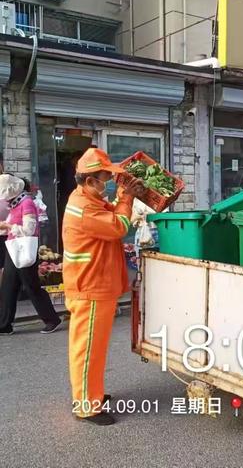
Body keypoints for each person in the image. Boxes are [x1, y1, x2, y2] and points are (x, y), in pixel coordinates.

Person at [62, 147, 144, 426]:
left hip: (95, 284)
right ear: (88, 181)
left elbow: (110, 212)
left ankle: (92, 393)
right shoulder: (84, 207)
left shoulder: (86, 198)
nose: (107, 182)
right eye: (104, 178)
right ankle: (86, 405)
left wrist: (122, 197)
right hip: (91, 286)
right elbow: (119, 226)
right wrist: (127, 198)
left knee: (94, 349)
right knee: (87, 350)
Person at [0, 174, 61, 335]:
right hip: (14, 248)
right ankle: (4, 324)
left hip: (23, 248)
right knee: (8, 287)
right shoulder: (17, 203)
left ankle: (52, 319)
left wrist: (7, 225)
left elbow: (29, 229)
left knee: (31, 286)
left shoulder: (26, 203)